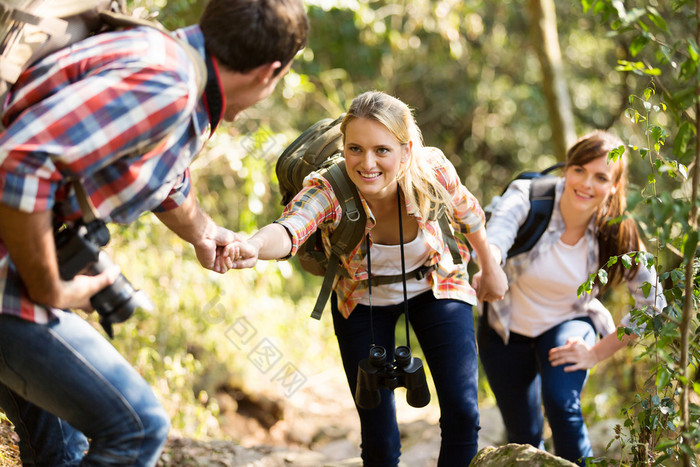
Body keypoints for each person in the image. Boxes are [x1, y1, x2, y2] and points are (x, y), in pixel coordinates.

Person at [0, 0, 308, 465]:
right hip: (9, 280)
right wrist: (50, 287)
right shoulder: (167, 84)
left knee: (63, 447)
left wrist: (203, 231)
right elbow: (22, 164)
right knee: (137, 427)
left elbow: (159, 173)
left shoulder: (162, 56)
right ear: (270, 71)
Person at [226, 90, 508, 466]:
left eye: (382, 150)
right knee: (378, 436)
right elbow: (291, 227)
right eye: (355, 149)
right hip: (359, 298)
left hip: (436, 284)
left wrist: (490, 267)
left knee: (462, 414)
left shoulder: (433, 171)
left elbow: (469, 215)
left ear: (406, 151)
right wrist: (253, 246)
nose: (367, 163)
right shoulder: (329, 186)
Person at [474, 130, 667, 466]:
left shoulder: (620, 230)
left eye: (601, 177)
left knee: (562, 404)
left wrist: (596, 353)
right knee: (523, 434)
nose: (586, 183)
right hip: (504, 328)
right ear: (567, 168)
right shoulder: (531, 196)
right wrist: (490, 266)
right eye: (579, 169)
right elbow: (499, 231)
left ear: (615, 186)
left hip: (567, 322)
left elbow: (654, 303)